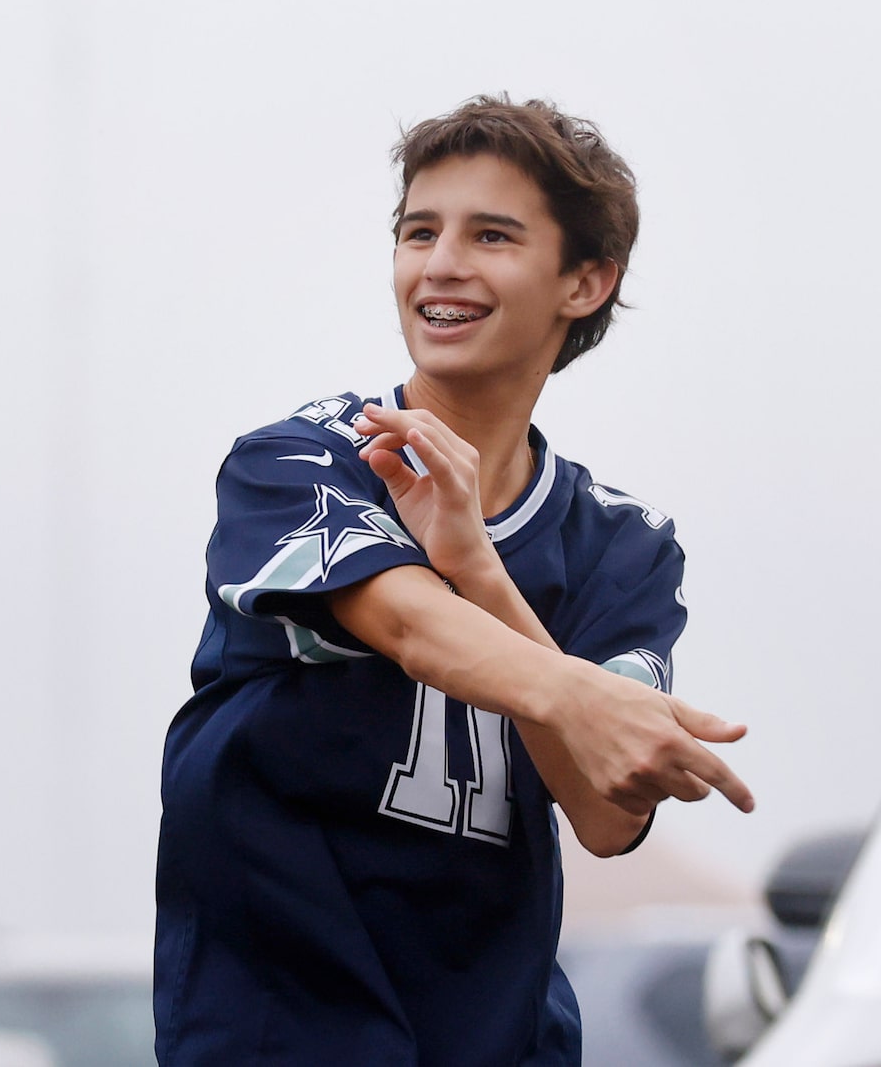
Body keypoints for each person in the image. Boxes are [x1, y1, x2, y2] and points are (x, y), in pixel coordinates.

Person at [154, 97, 756, 1066]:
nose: (440, 265)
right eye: (417, 232)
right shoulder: (302, 460)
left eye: (492, 236)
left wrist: (480, 567)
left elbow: (606, 818)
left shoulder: (622, 543)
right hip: (282, 1027)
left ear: (586, 282)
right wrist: (581, 691)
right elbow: (407, 622)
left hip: (502, 1036)